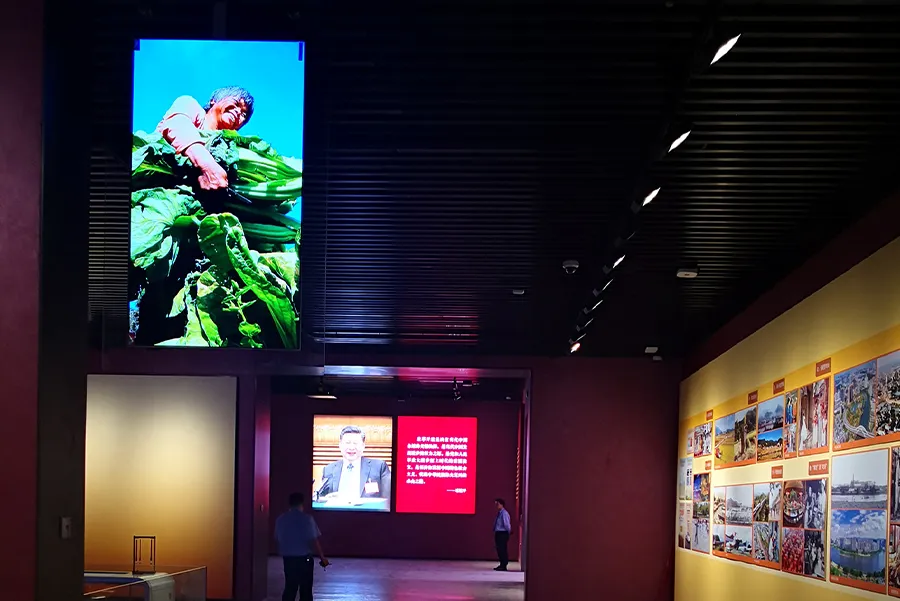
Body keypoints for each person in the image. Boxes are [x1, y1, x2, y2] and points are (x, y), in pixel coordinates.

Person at [156, 86, 255, 190]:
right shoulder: (190, 105)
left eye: (243, 114)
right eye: (236, 103)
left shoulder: (230, 150)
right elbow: (177, 124)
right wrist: (207, 165)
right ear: (214, 101)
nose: (238, 112)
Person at [275, 492, 329, 601]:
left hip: (288, 559)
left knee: (290, 587)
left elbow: (278, 538)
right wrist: (322, 558)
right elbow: (313, 540)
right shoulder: (307, 519)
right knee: (306, 589)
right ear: (302, 503)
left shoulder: (281, 519)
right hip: (305, 559)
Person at [316, 426, 391, 502]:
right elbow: (319, 499)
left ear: (363, 446)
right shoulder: (329, 469)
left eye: (355, 443)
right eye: (348, 443)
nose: (351, 447)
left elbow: (388, 499)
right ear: (340, 445)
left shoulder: (379, 467)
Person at [493, 498, 512, 571]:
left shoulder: (504, 513)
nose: (496, 506)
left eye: (497, 504)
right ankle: (501, 564)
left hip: (502, 533)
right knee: (499, 549)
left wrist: (508, 531)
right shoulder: (500, 513)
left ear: (502, 504)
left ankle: (504, 565)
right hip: (498, 533)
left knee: (502, 549)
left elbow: (507, 524)